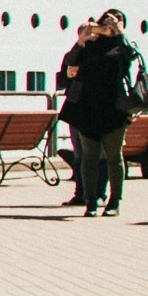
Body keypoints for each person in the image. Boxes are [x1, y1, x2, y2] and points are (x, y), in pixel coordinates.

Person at [75, 8, 140, 217]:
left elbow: (132, 56)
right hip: (89, 108)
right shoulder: (91, 44)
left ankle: (114, 202)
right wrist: (82, 40)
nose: (109, 27)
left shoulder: (123, 47)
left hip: (115, 110)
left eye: (115, 23)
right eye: (107, 23)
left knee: (114, 157)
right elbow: (71, 61)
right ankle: (91, 202)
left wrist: (120, 33)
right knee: (89, 158)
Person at [59, 22, 95, 206]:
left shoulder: (100, 55)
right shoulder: (73, 55)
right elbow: (62, 80)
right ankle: (81, 193)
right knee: (80, 153)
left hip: (91, 108)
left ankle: (93, 194)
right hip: (76, 108)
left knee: (92, 154)